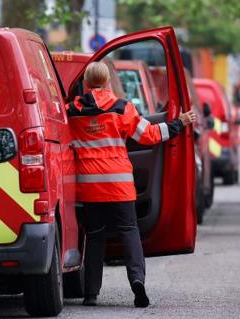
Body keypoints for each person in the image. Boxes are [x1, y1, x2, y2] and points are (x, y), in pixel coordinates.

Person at [66, 62, 196, 308]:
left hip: (89, 187)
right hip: (119, 186)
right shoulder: (122, 108)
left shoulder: (71, 111)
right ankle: (137, 281)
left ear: (85, 84)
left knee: (94, 238)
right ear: (107, 83)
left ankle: (91, 293)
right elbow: (149, 135)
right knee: (129, 232)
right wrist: (179, 123)